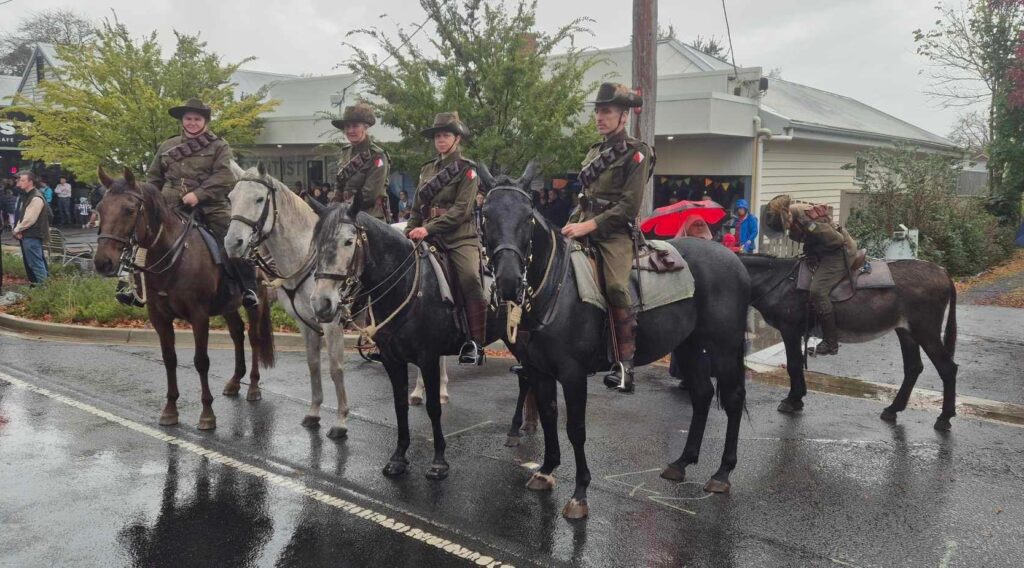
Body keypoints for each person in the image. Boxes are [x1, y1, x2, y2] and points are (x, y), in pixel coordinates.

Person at [561, 82, 653, 393]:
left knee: (615, 285)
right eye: (598, 111)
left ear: (623, 116)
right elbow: (585, 197)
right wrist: (574, 222)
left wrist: (589, 227)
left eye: (607, 112)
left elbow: (628, 207)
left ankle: (624, 365)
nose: (600, 117)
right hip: (582, 223)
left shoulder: (637, 153)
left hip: (614, 233)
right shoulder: (594, 151)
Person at [145, 98, 259, 307]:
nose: (192, 123)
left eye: (197, 119)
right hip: (170, 206)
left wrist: (199, 194)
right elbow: (153, 178)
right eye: (188, 118)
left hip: (211, 207)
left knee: (232, 240)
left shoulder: (218, 146)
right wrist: (152, 202)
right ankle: (131, 286)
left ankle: (248, 289)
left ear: (205, 122)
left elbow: (224, 175)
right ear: (182, 121)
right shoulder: (167, 146)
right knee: (141, 236)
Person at [405, 111, 487, 365]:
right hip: (426, 233)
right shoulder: (427, 169)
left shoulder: (468, 170)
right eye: (438, 136)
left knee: (470, 277)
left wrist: (429, 229)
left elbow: (461, 211)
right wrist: (410, 229)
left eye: (446, 135)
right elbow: (418, 206)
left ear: (457, 138)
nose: (441, 140)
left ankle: (476, 343)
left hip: (458, 237)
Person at [765, 194, 858, 355]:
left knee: (818, 291)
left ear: (787, 214)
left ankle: (831, 342)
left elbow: (837, 240)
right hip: (823, 251)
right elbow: (810, 241)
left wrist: (810, 228)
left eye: (784, 226)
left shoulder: (807, 221)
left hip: (839, 252)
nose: (786, 229)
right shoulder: (791, 217)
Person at [331, 103, 391, 221]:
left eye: (355, 126)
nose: (350, 130)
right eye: (347, 127)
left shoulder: (377, 156)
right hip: (346, 214)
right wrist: (333, 206)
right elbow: (339, 184)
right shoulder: (345, 152)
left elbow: (370, 194)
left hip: (370, 217)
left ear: (366, 127)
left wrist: (345, 209)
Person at [12, 171, 50, 284]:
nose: (19, 183)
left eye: (23, 180)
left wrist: (17, 229)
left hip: (33, 235)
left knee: (36, 264)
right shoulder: (29, 195)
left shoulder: (36, 197)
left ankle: (44, 289)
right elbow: (23, 215)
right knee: (34, 263)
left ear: (31, 182)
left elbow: (29, 219)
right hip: (29, 235)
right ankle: (42, 288)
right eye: (19, 180)